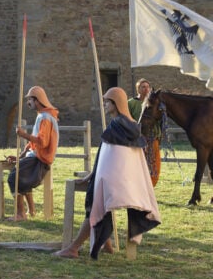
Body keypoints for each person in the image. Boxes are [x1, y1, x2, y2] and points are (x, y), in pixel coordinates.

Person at [54, 87, 161, 260]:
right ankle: (107, 245)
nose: (104, 104)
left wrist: (98, 176)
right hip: (125, 182)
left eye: (107, 102)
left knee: (95, 208)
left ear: (116, 103)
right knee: (101, 207)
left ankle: (73, 248)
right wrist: (94, 174)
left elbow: (112, 157)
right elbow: (107, 156)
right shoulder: (131, 125)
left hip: (111, 180)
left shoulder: (118, 125)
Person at [9, 85, 59, 221]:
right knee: (20, 177)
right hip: (35, 156)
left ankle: (20, 214)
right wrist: (20, 157)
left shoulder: (46, 118)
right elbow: (32, 144)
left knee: (14, 178)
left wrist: (23, 134)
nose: (28, 103)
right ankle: (31, 211)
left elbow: (42, 142)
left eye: (30, 99)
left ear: (37, 100)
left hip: (40, 160)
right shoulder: (42, 116)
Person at [127, 78, 161, 186]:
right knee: (138, 163)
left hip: (153, 137)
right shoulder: (131, 103)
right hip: (138, 138)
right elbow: (128, 119)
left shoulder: (153, 103)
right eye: (143, 87)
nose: (146, 89)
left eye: (147, 87)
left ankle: (151, 186)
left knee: (154, 163)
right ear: (138, 89)